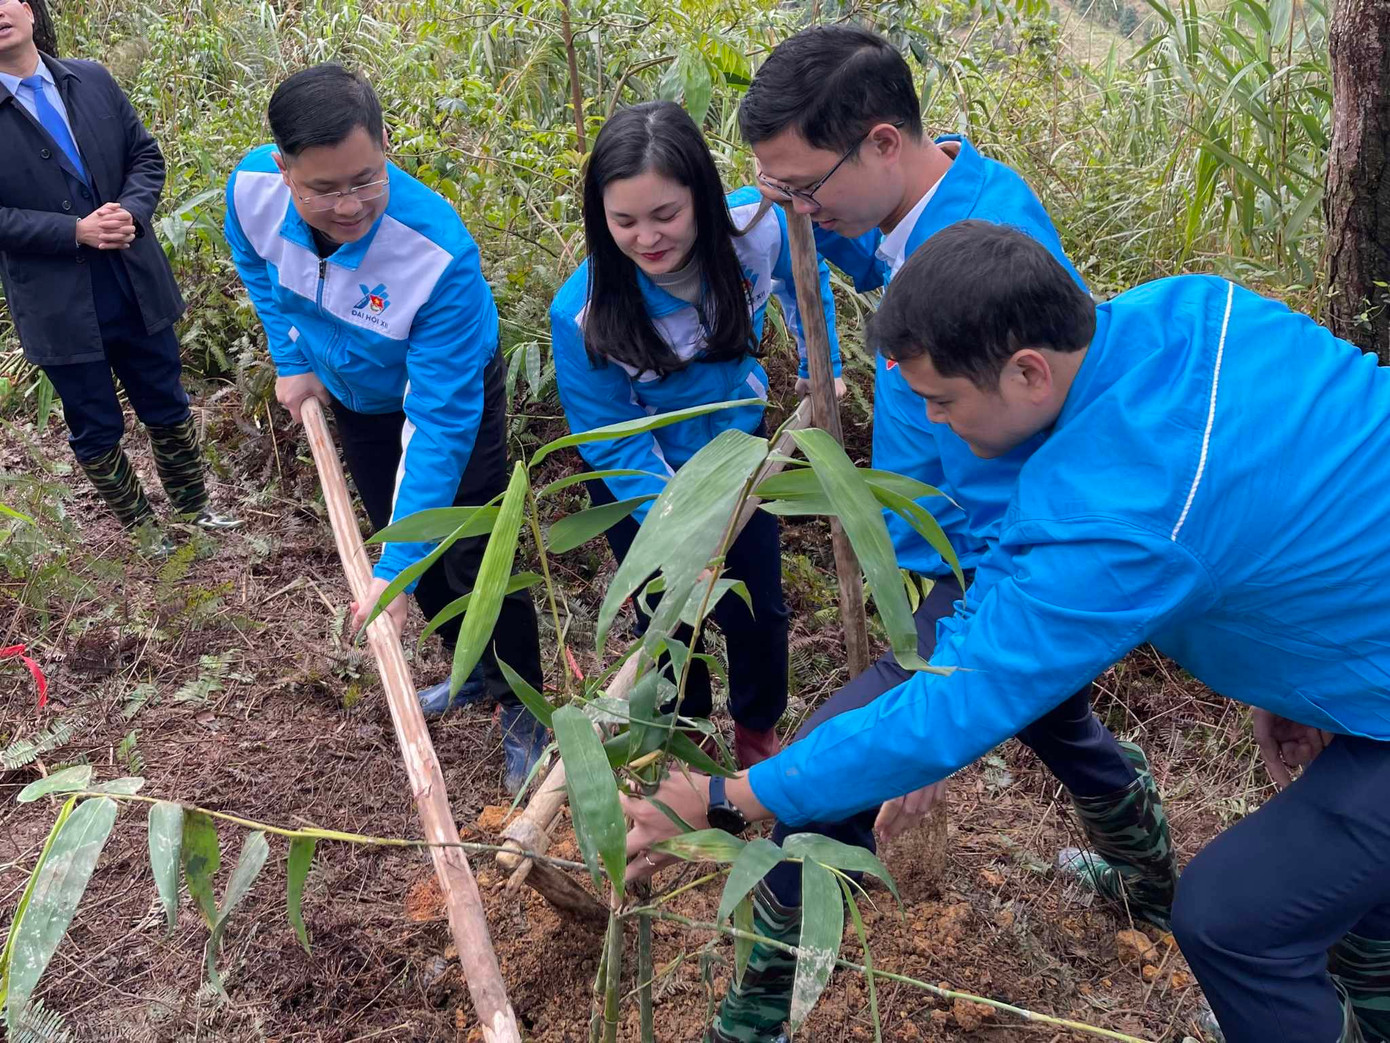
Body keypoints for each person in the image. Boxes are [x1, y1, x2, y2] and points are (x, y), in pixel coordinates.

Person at [627, 220, 1390, 1043]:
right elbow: (1314, 493)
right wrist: (1303, 678)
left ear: (1028, 371)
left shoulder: (1113, 510)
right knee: (1338, 894)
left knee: (1232, 919)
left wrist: (724, 798)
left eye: (942, 400)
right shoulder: (1192, 311)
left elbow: (954, 703)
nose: (932, 420)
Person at [684, 27, 1177, 1042]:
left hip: (994, 559)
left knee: (833, 764)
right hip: (941, 546)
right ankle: (1142, 868)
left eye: (801, 186)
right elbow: (865, 246)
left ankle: (753, 1015)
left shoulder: (987, 240)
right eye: (777, 190)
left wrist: (956, 640)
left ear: (876, 143)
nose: (796, 210)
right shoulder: (924, 205)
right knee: (1051, 715)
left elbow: (1027, 482)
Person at [223, 64, 545, 794]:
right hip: (353, 395)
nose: (349, 205)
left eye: (367, 179)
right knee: (399, 542)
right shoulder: (250, 189)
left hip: (443, 397)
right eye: (324, 188)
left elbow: (438, 424)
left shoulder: (437, 256)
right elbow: (252, 259)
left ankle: (525, 706)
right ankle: (474, 671)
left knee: (469, 543)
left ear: (387, 146)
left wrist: (393, 569)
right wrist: (291, 355)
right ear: (283, 170)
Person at [549, 100, 841, 769]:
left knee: (758, 610)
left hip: (743, 457)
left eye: (665, 215)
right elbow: (614, 439)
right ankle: (687, 738)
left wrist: (817, 364)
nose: (647, 237)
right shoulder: (585, 311)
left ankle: (756, 736)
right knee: (667, 614)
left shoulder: (753, 232)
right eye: (623, 220)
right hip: (645, 483)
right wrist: (678, 533)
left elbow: (805, 272)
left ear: (702, 199)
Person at [0, 0, 238, 549]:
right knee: (95, 422)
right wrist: (73, 231)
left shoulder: (90, 79)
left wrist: (130, 209)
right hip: (57, 301)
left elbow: (145, 156)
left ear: (32, 11)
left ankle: (194, 510)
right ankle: (143, 531)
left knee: (166, 399)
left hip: (133, 277)